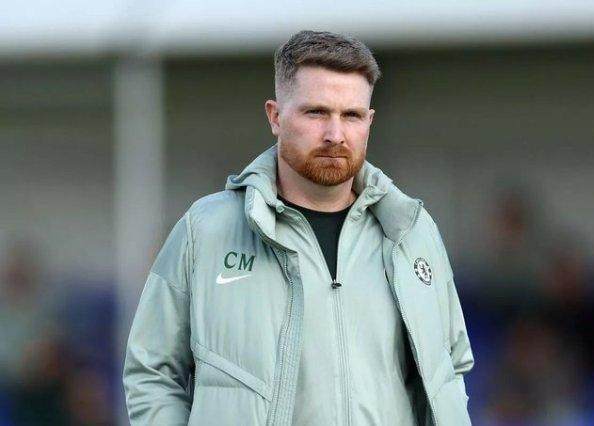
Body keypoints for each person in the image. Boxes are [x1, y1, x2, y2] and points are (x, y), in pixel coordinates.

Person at [123, 30, 474, 425]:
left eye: (351, 115)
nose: (335, 135)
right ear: (275, 116)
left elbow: (452, 367)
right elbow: (152, 371)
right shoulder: (204, 231)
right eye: (316, 113)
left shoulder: (412, 231)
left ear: (369, 121)